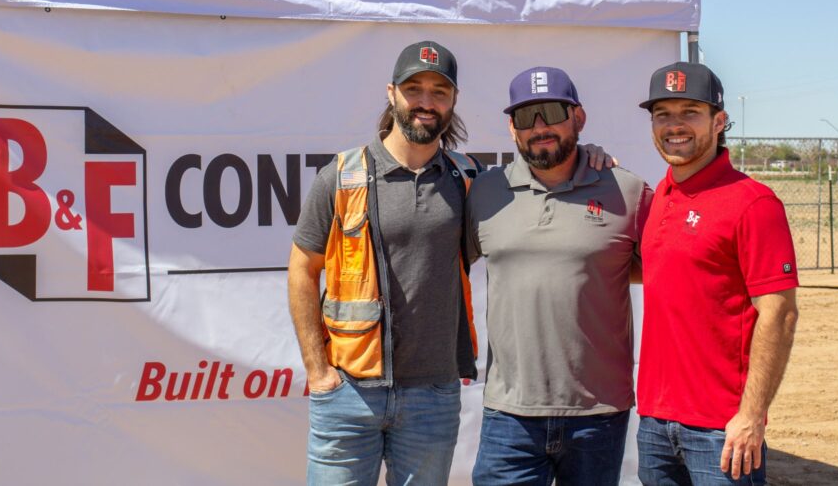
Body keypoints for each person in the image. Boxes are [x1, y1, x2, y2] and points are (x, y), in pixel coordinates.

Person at [288, 40, 479, 485]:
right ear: (391, 92)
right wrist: (318, 372)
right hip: (349, 393)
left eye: (439, 91)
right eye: (414, 88)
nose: (425, 102)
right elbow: (302, 270)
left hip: (433, 396)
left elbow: (540, 183)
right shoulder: (341, 175)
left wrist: (592, 158)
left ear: (453, 102)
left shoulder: (469, 179)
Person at [467, 66, 652, 486]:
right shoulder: (484, 192)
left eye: (551, 111)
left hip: (597, 417)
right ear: (511, 129)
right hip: (510, 416)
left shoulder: (627, 191)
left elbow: (659, 271)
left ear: (579, 118)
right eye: (525, 116)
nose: (539, 126)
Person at [635, 61, 799, 486]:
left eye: (690, 111)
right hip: (654, 420)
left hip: (721, 430)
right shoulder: (660, 197)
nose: (675, 125)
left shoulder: (753, 203)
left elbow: (779, 315)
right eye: (662, 114)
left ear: (719, 120)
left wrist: (750, 416)